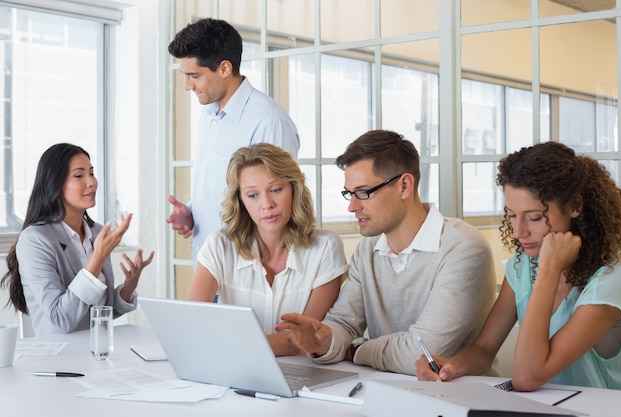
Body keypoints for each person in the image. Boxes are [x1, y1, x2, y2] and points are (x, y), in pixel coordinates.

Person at [277, 130, 497, 375]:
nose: (352, 206)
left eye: (363, 192)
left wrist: (356, 350)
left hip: (457, 399)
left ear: (404, 185)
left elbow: (421, 353)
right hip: (386, 390)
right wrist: (322, 339)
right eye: (349, 194)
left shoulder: (463, 248)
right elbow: (343, 324)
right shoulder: (367, 249)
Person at [415, 141, 621, 391]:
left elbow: (528, 377)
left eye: (534, 217)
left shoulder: (612, 279)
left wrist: (549, 268)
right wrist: (452, 365)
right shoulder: (522, 265)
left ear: (575, 206)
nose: (518, 232)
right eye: (511, 215)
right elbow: (484, 350)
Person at [186, 143, 346, 356]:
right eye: (253, 195)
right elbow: (191, 324)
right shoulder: (219, 246)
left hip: (303, 377)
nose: (267, 204)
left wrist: (227, 345)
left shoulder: (325, 247)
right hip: (236, 374)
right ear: (240, 200)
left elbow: (305, 339)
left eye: (276, 190)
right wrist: (281, 341)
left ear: (293, 189)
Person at [166, 17, 300, 264]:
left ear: (224, 69)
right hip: (209, 264)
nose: (187, 86)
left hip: (246, 269)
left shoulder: (269, 121)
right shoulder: (209, 114)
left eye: (194, 75)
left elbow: (276, 205)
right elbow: (226, 189)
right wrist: (194, 213)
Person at [0, 143, 154, 336]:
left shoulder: (97, 233)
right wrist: (97, 257)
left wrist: (129, 286)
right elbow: (62, 319)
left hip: (99, 352)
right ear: (55, 184)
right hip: (59, 360)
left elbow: (100, 312)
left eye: (92, 172)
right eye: (79, 175)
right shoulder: (34, 240)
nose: (91, 182)